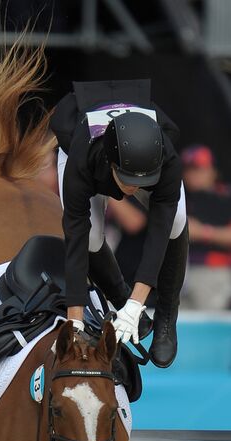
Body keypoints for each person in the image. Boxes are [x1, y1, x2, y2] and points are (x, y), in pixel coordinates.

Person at [50, 79, 188, 368]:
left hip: (145, 152)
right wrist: (74, 323)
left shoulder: (169, 160)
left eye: (141, 183)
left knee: (175, 220)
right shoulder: (81, 161)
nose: (132, 189)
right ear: (111, 165)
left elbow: (158, 232)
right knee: (90, 239)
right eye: (127, 181)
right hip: (84, 145)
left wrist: (140, 304)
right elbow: (75, 241)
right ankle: (120, 296)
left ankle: (166, 316)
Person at [181, 145, 231, 310]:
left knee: (208, 326)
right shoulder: (179, 197)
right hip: (180, 271)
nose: (193, 175)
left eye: (199, 169)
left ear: (213, 171)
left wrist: (203, 232)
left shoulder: (224, 198)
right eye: (189, 169)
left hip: (212, 270)